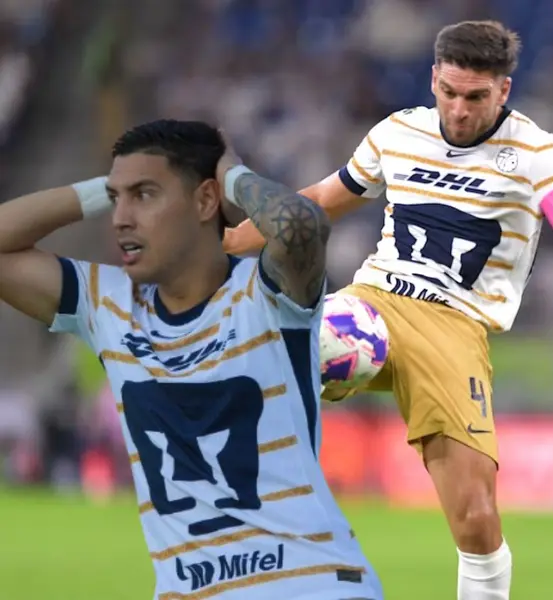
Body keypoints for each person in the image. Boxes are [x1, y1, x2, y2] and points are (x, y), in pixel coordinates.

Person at [223, 20, 553, 599]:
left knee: (475, 518)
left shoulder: (533, 151)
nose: (458, 110)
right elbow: (323, 201)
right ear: (433, 78)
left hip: (454, 327)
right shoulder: (397, 132)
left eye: (475, 97)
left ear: (503, 90)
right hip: (374, 303)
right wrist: (231, 242)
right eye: (449, 92)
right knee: (284, 349)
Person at [0, 119, 383, 598]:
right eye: (118, 200)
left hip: (309, 584)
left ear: (205, 201)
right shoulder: (106, 304)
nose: (121, 218)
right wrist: (107, 188)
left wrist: (233, 176)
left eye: (146, 196)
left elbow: (302, 226)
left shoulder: (266, 294)